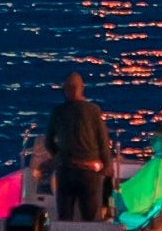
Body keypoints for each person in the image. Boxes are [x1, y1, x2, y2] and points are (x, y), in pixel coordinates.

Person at [44, 73, 114, 222]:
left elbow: (48, 142)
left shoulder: (58, 112)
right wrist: (106, 167)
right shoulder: (93, 110)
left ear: (65, 90)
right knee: (89, 218)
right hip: (88, 171)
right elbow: (103, 141)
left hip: (65, 170)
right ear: (82, 89)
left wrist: (60, 156)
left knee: (65, 216)